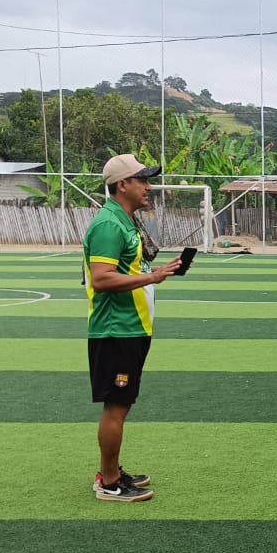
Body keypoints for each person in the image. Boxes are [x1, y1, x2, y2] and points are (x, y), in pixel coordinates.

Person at [85, 154, 183, 503]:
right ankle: (109, 482)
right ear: (122, 184)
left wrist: (156, 271)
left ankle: (110, 471)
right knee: (116, 406)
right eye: (142, 180)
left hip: (132, 327)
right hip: (116, 330)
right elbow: (102, 279)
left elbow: (127, 270)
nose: (149, 186)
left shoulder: (123, 221)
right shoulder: (109, 225)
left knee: (122, 404)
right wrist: (152, 277)